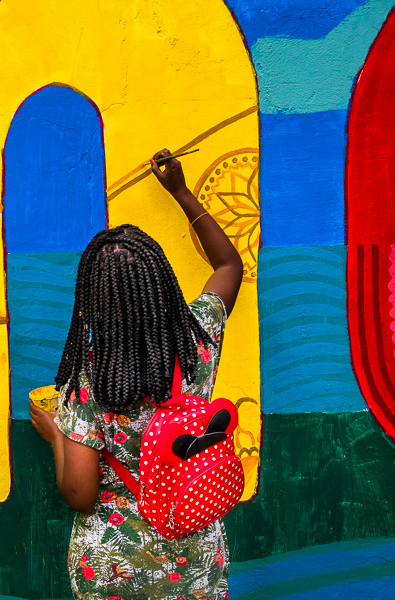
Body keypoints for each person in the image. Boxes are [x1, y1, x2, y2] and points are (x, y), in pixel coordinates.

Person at [29, 148, 243, 600]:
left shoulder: (88, 379)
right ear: (160, 282)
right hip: (195, 557)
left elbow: (80, 494)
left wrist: (55, 437)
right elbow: (228, 266)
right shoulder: (199, 339)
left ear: (92, 301)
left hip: (112, 568)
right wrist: (182, 192)